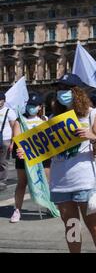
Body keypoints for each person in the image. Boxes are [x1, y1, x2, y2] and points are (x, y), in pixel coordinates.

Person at [46, 74, 96, 253]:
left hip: (86, 182)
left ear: (77, 92)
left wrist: (92, 137)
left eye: (65, 89)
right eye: (58, 89)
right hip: (61, 183)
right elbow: (46, 151)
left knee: (94, 225)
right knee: (71, 227)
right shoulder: (54, 118)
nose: (61, 93)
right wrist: (29, 152)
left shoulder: (93, 115)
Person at [10, 93, 50, 223]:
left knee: (46, 182)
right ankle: (17, 210)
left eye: (34, 105)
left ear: (40, 107)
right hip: (24, 157)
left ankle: (49, 206)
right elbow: (18, 138)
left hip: (43, 156)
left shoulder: (45, 120)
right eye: (29, 105)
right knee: (22, 183)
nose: (31, 107)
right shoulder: (20, 120)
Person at [0, 92, 17, 191]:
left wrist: (12, 143)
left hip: (5, 139)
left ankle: (2, 180)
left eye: (0, 100)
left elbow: (14, 127)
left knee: (3, 161)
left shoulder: (9, 112)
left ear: (4, 101)